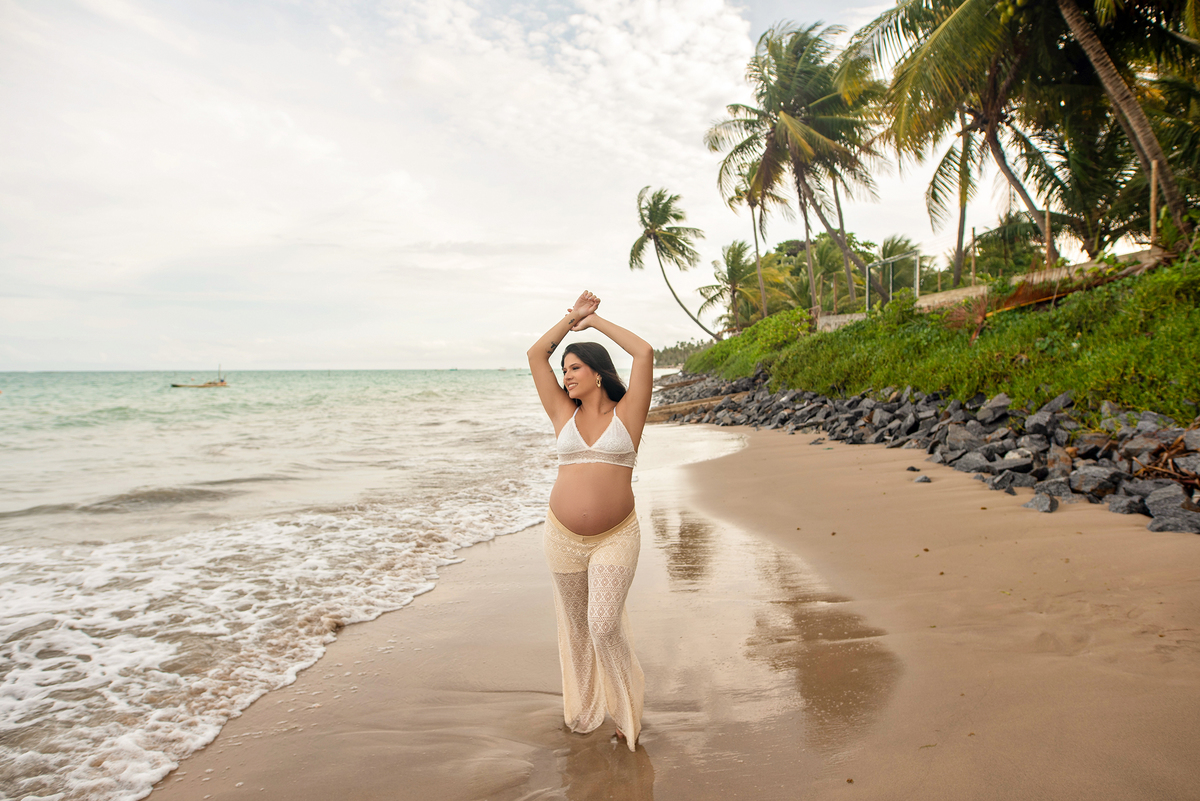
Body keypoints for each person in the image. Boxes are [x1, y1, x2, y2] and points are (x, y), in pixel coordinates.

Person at [526, 290, 654, 750]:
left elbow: (644, 352)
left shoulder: (628, 414)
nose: (565, 376)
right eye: (564, 370)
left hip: (616, 536)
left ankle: (625, 711)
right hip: (561, 537)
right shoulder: (563, 412)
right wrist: (569, 319)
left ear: (597, 373)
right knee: (578, 628)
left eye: (574, 368)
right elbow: (535, 355)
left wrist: (594, 322)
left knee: (602, 623)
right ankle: (584, 710)